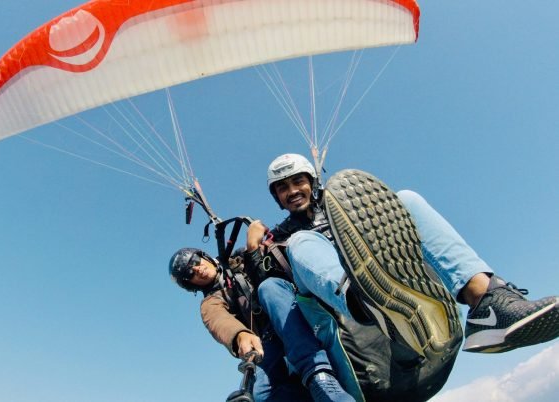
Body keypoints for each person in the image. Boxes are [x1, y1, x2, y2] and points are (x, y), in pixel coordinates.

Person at [243, 153, 559, 400]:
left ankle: (487, 302)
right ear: (276, 197)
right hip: (342, 311)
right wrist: (255, 249)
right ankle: (370, 301)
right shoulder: (282, 237)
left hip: (389, 274)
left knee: (406, 198)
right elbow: (267, 290)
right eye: (282, 188)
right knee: (302, 242)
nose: (292, 191)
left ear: (312, 180)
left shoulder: (347, 207)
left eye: (297, 181)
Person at [168, 247, 356, 401]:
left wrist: (256, 246)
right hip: (266, 341)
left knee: (269, 287)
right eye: (189, 273)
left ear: (204, 256)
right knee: (260, 393)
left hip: (295, 314)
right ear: (191, 284)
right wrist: (240, 334)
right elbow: (217, 319)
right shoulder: (210, 302)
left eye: (194, 262)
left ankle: (319, 377)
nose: (197, 269)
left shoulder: (243, 258)